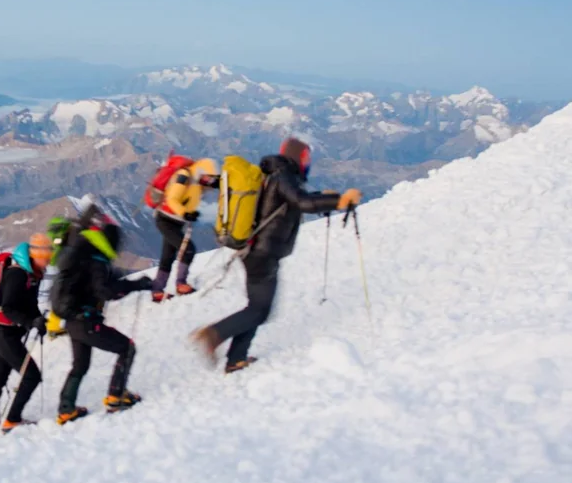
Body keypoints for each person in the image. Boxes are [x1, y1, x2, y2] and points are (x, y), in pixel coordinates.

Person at [191, 137, 361, 373]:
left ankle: (236, 359)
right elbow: (302, 202)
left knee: (257, 308)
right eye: (306, 159)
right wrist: (339, 200)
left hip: (256, 251)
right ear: (300, 159)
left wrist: (324, 195)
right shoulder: (284, 177)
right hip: (263, 253)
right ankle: (214, 334)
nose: (307, 163)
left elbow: (289, 201)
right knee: (258, 310)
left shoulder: (274, 174)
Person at [52, 218, 152, 425]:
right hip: (86, 321)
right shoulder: (96, 260)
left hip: (73, 321)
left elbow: (102, 285)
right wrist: (136, 286)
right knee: (127, 348)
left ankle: (66, 409)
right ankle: (116, 395)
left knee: (79, 365)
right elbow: (106, 291)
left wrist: (131, 284)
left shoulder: (82, 258)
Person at [0, 237, 51, 437]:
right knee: (31, 376)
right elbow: (8, 308)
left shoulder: (31, 274)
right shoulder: (17, 274)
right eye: (45, 257)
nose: (48, 261)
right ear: (35, 256)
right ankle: (12, 419)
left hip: (5, 332)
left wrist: (37, 320)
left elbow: (29, 304)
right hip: (4, 333)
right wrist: (30, 322)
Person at [151, 157, 219, 302]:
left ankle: (157, 290)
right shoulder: (184, 175)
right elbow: (172, 198)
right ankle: (180, 284)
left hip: (176, 222)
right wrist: (185, 213)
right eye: (208, 177)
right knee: (188, 249)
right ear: (202, 171)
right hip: (166, 219)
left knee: (168, 256)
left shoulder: (196, 180)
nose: (208, 181)